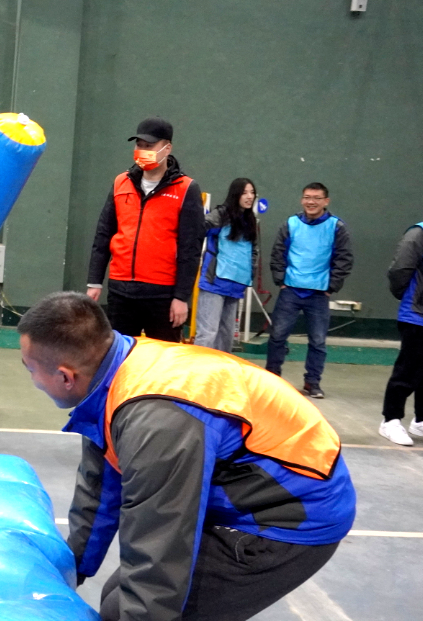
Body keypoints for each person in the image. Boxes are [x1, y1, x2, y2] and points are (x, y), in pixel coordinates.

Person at [18, 292, 356, 621]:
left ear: (66, 376)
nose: (32, 380)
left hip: (289, 519)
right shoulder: (114, 375)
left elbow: (160, 542)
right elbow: (100, 493)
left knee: (125, 608)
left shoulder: (154, 420)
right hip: (253, 491)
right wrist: (64, 577)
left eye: (30, 369)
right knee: (117, 596)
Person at [86, 117, 204, 342]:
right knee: (121, 356)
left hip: (162, 295)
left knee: (163, 359)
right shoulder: (121, 182)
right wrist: (94, 282)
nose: (142, 151)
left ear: (167, 148)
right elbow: (104, 234)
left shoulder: (186, 189)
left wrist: (181, 297)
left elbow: (190, 249)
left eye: (149, 146)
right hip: (121, 292)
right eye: (139, 145)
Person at [266, 183, 353, 399]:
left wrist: (331, 287)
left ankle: (312, 383)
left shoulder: (336, 227)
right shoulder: (291, 224)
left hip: (319, 294)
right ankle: (272, 379)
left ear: (326, 201)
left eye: (316, 198)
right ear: (301, 199)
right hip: (290, 291)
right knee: (277, 337)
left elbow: (344, 259)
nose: (311, 202)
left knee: (318, 341)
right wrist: (281, 281)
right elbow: (277, 254)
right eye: (307, 197)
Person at [194, 178, 258, 352]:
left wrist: (250, 274)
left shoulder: (250, 220)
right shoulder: (221, 215)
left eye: (252, 192)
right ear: (235, 194)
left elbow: (253, 251)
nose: (250, 196)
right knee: (207, 334)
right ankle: (198, 368)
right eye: (245, 193)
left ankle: (221, 369)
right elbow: (198, 229)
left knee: (226, 337)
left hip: (236, 286)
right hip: (214, 283)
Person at [378, 222, 423, 446]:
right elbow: (399, 271)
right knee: (408, 369)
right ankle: (390, 420)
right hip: (416, 314)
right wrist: (409, 296)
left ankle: (420, 421)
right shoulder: (418, 234)